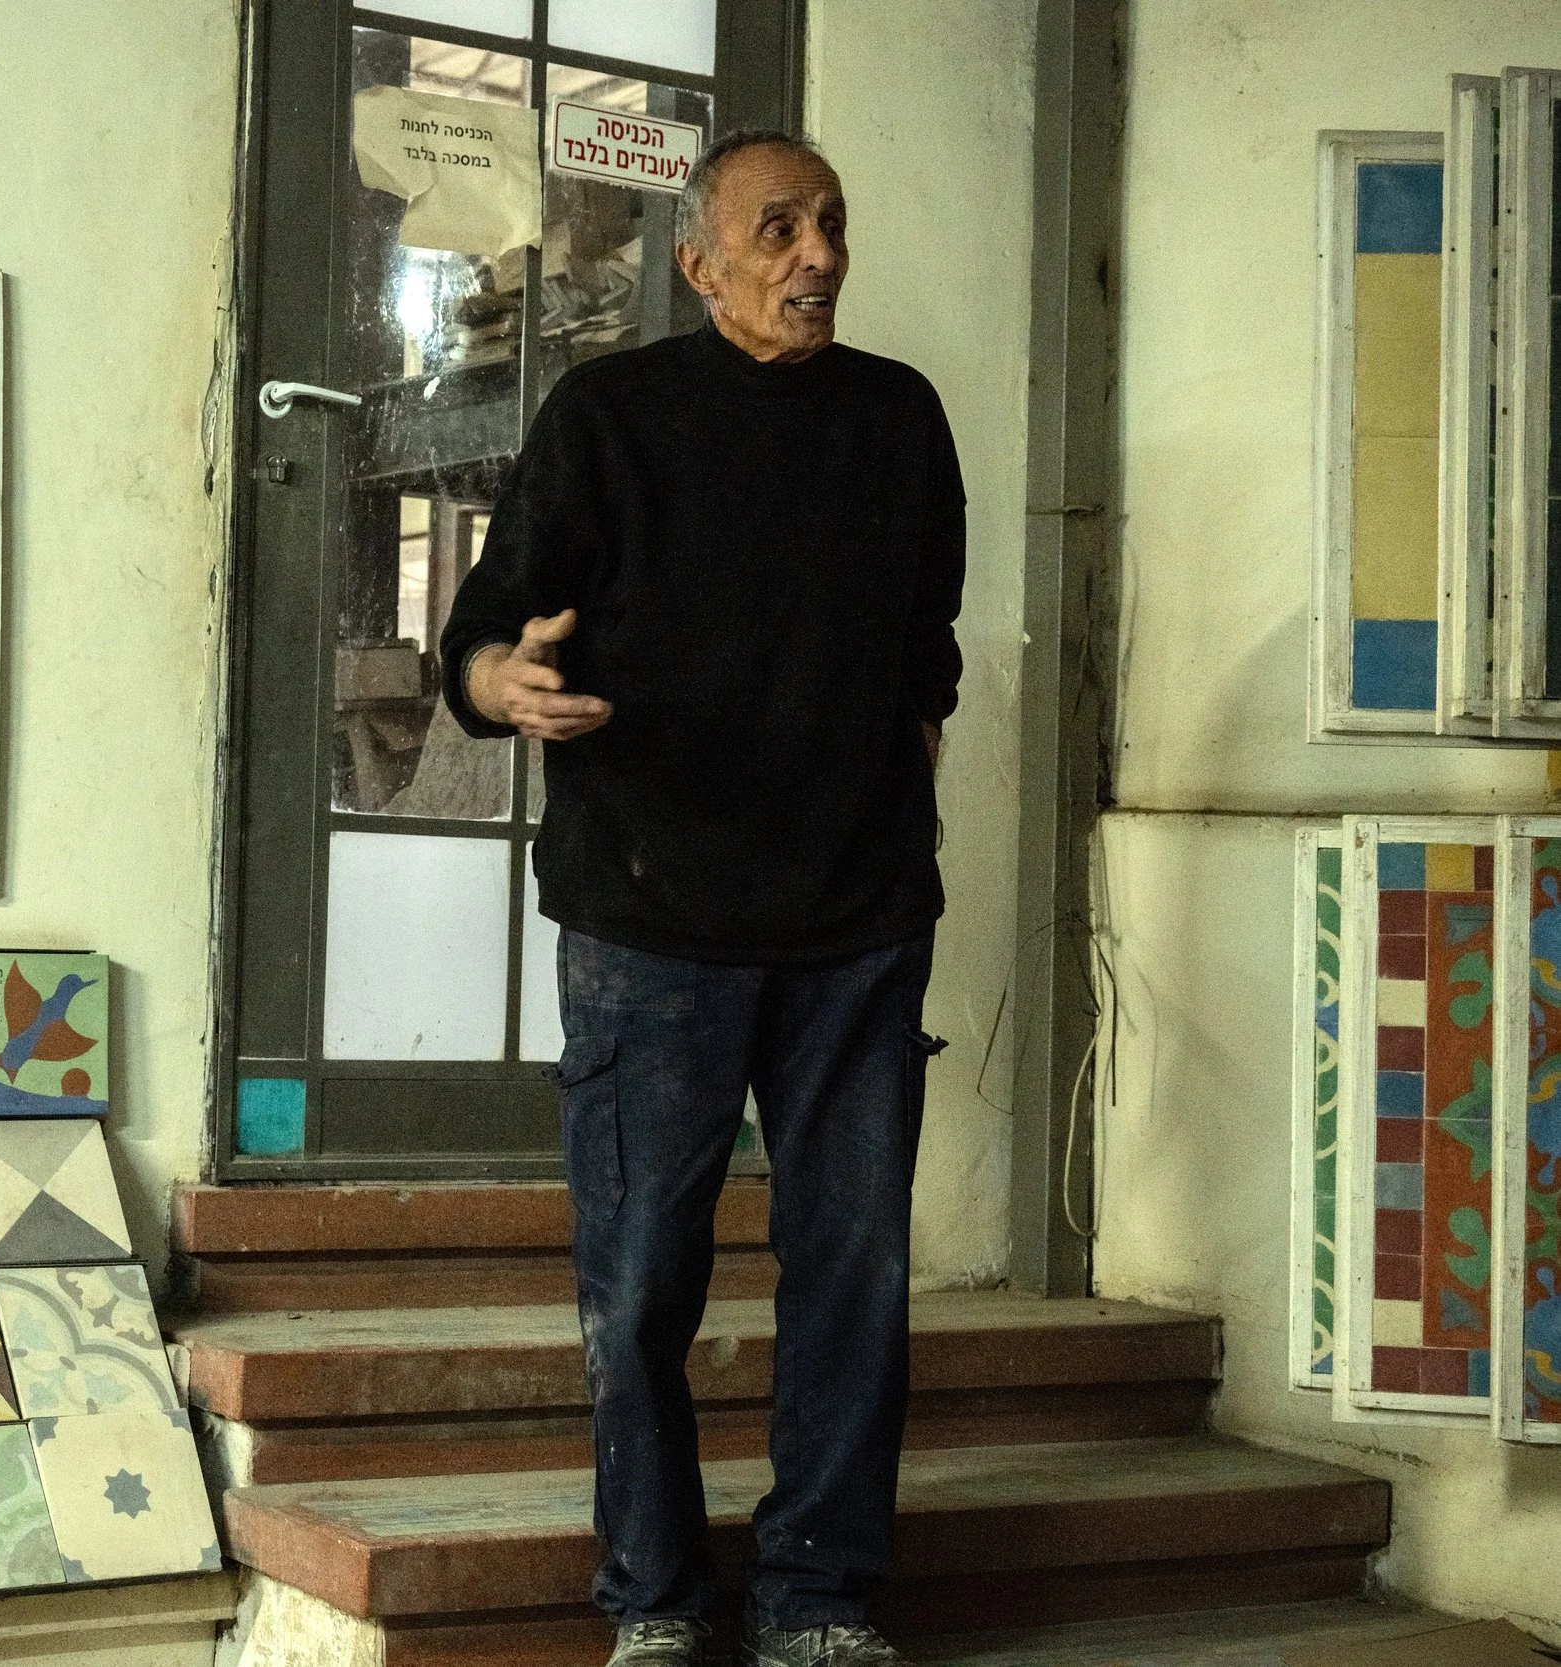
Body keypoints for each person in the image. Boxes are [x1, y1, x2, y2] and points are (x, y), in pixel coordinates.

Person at [440, 130, 965, 1667]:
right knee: (639, 1279)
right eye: (779, 227)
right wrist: (504, 683)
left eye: (832, 224)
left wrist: (897, 785)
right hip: (649, 920)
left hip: (858, 925)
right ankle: (656, 1597)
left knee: (856, 1273)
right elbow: (481, 638)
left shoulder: (900, 416)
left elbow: (927, 647)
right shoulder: (608, 416)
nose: (818, 255)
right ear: (700, 261)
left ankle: (821, 1596)